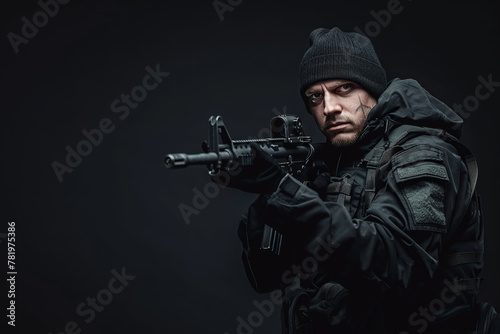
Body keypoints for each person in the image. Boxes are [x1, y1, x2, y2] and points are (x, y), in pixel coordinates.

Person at [220, 27, 498, 333]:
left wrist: (285, 192)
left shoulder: (423, 155)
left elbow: (398, 269)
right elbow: (268, 277)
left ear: (373, 90)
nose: (329, 108)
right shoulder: (334, 162)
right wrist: (271, 197)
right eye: (315, 96)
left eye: (344, 88)